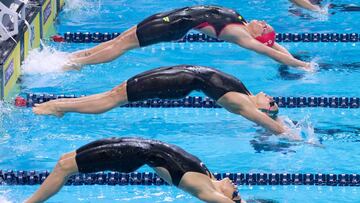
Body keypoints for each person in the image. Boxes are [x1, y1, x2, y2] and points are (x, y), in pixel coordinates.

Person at [33, 65, 300, 139]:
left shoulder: (241, 103)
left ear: (262, 109)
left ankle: (57, 107)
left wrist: (292, 135)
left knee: (113, 99)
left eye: (273, 103)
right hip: (176, 75)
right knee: (114, 94)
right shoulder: (244, 93)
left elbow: (268, 124)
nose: (272, 98)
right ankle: (59, 105)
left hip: (173, 83)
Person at [64, 5, 313, 71]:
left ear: (258, 36)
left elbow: (269, 51)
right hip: (171, 16)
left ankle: (76, 64)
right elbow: (274, 45)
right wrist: (288, 52)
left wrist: (302, 65)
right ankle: (72, 57)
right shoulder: (244, 23)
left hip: (173, 25)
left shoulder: (240, 35)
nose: (263, 22)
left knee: (123, 46)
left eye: (264, 27)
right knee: (121, 38)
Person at [25, 137, 244, 203]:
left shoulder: (205, 190)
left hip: (132, 154)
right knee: (65, 160)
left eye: (235, 194)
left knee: (65, 167)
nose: (235, 187)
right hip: (136, 145)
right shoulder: (209, 177)